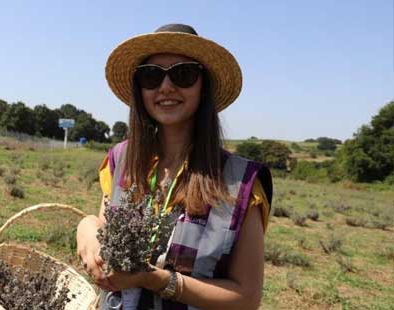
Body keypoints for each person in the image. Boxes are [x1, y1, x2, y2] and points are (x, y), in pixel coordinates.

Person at [76, 24, 273, 310]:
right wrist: (87, 227)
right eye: (151, 76)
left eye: (183, 74)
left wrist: (154, 280)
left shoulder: (241, 182)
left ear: (204, 86)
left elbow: (246, 298)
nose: (166, 87)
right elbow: (105, 232)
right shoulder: (120, 159)